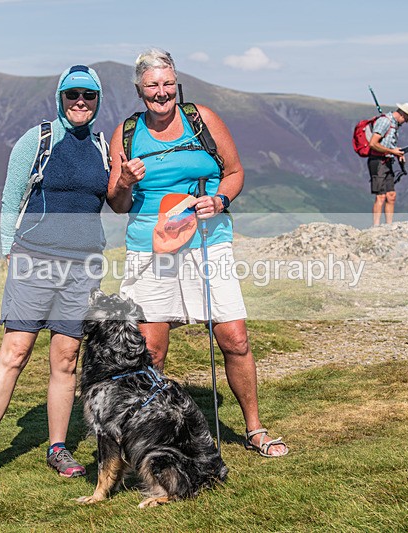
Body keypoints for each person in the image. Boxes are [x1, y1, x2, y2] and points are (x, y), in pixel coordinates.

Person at [106, 48, 288, 458]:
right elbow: (117, 204)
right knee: (150, 351)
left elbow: (235, 172)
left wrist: (220, 200)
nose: (162, 92)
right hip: (150, 247)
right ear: (139, 90)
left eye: (168, 84)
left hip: (208, 241)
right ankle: (152, 439)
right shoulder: (127, 133)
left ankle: (255, 429)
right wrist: (124, 181)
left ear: (177, 84)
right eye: (152, 85)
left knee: (235, 338)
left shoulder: (202, 119)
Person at [0, 65, 109, 489]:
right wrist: (8, 250)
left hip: (82, 266)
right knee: (15, 351)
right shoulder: (40, 139)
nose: (80, 102)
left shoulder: (103, 146)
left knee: (66, 359)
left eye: (88, 95)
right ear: (60, 98)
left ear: (98, 100)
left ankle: (57, 448)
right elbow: (11, 197)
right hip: (35, 258)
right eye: (72, 95)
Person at [367, 103, 408, 226]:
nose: (405, 122)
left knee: (391, 195)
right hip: (378, 161)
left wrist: (397, 153)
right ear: (402, 114)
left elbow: (388, 144)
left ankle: (389, 225)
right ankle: (376, 226)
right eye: (406, 119)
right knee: (380, 196)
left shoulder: (394, 125)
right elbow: (373, 143)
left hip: (387, 161)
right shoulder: (385, 121)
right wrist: (392, 151)